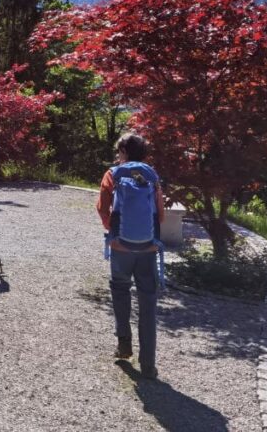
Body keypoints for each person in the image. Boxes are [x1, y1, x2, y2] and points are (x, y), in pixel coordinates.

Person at [97, 132, 165, 380]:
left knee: (120, 290)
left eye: (119, 151)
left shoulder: (113, 174)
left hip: (121, 248)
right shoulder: (151, 176)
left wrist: (113, 232)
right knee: (148, 303)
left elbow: (103, 209)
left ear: (124, 151)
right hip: (148, 248)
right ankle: (148, 364)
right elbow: (160, 215)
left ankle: (124, 343)